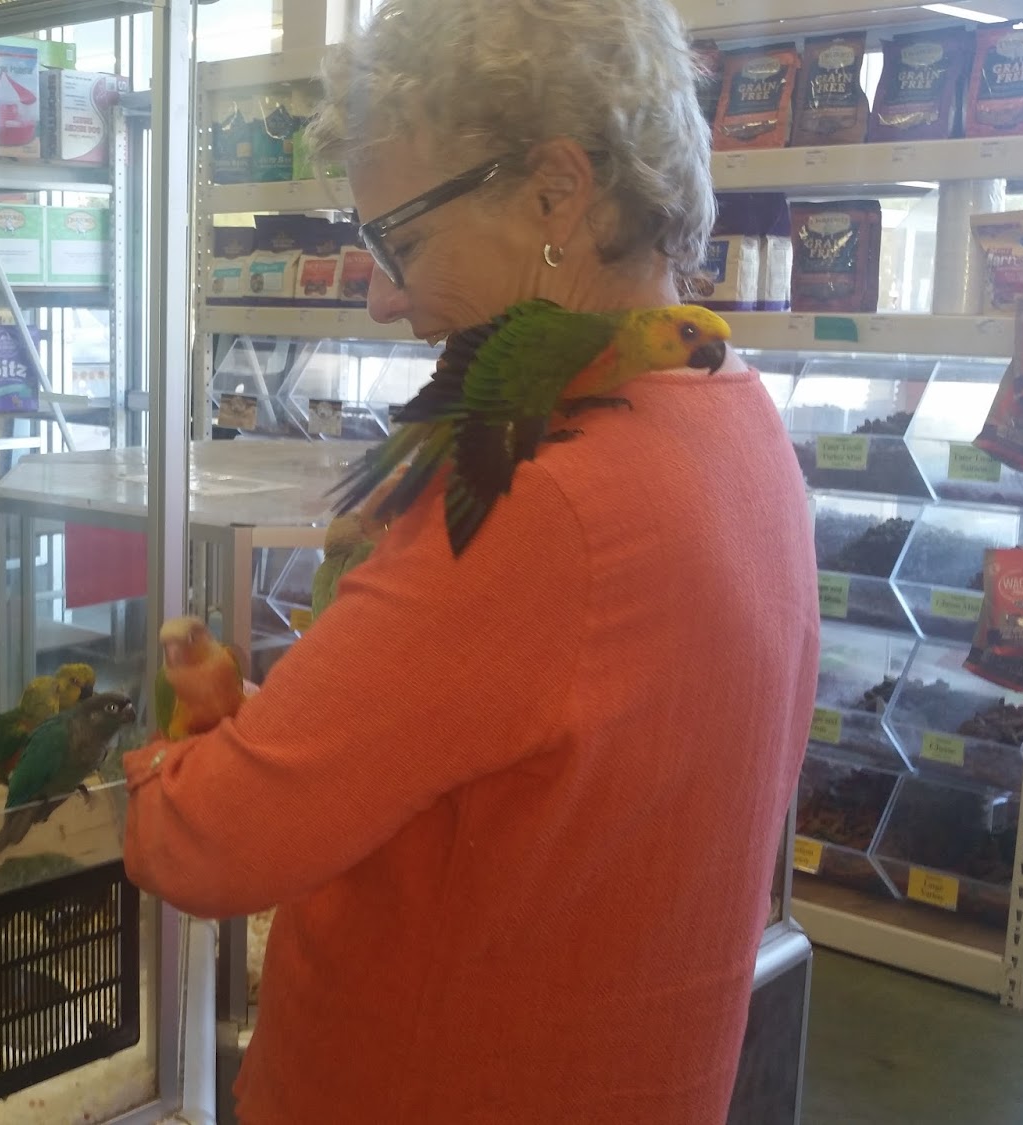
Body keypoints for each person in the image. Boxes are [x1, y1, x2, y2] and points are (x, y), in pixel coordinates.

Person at [121, 0, 819, 1121]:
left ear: (554, 193)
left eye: (398, 240)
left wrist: (176, 750)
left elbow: (206, 846)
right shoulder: (738, 426)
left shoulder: (536, 503)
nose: (382, 297)